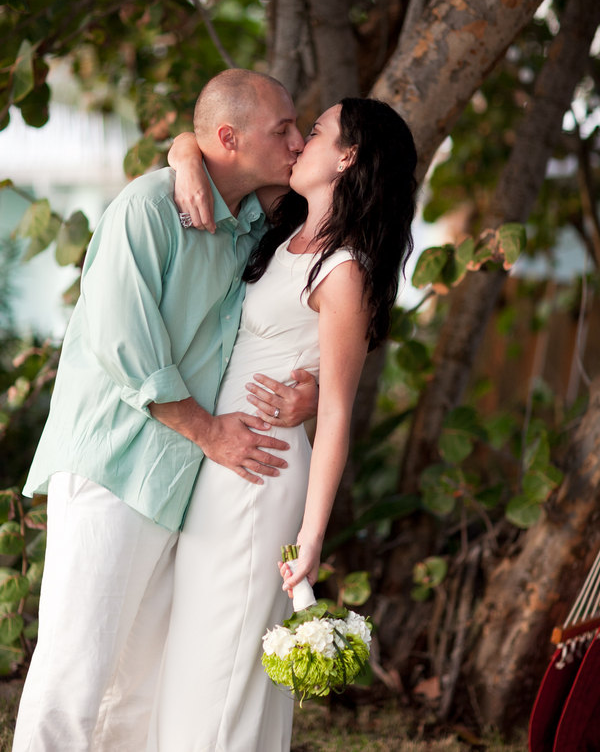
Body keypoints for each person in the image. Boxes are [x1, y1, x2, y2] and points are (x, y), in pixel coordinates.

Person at [12, 69, 321, 752]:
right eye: (285, 130)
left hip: (180, 481)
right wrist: (210, 431)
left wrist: (317, 393)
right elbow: (127, 343)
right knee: (74, 677)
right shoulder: (149, 207)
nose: (298, 142)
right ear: (231, 138)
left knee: (138, 688)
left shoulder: (254, 223)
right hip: (116, 468)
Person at [147, 96, 417, 751]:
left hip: (262, 474)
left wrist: (312, 534)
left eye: (316, 132)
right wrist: (185, 150)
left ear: (347, 157)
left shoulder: (343, 270)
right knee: (196, 642)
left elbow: (338, 411)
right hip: (222, 461)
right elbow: (205, 148)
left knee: (225, 657)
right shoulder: (281, 225)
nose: (299, 143)